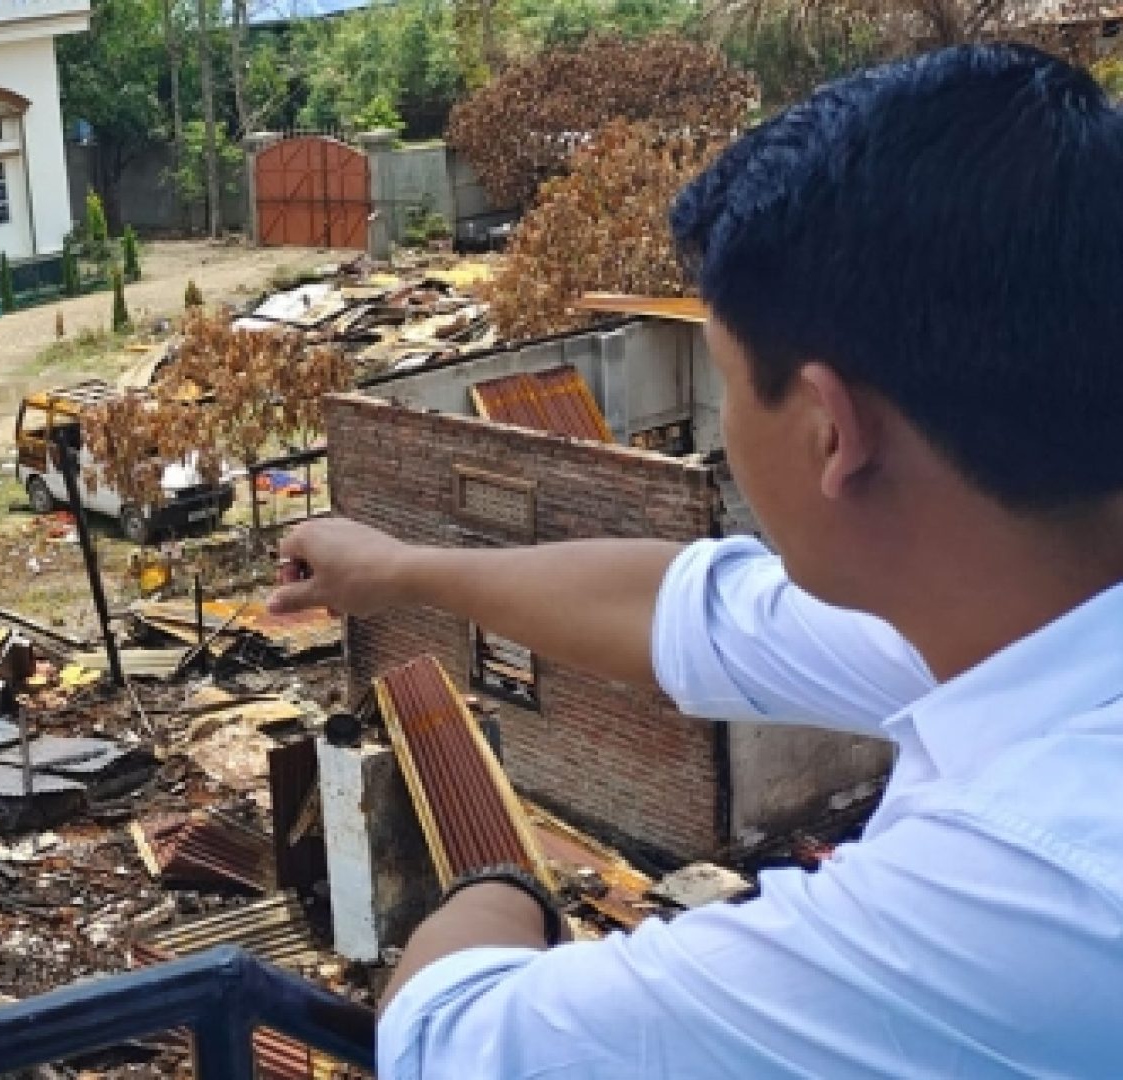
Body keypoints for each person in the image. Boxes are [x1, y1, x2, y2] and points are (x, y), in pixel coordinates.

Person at [267, 44, 1123, 1078]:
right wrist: (402, 568)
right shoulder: (1031, 603)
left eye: (726, 381)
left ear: (826, 430)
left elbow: (455, 1038)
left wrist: (496, 888)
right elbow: (696, 611)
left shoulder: (1025, 900)